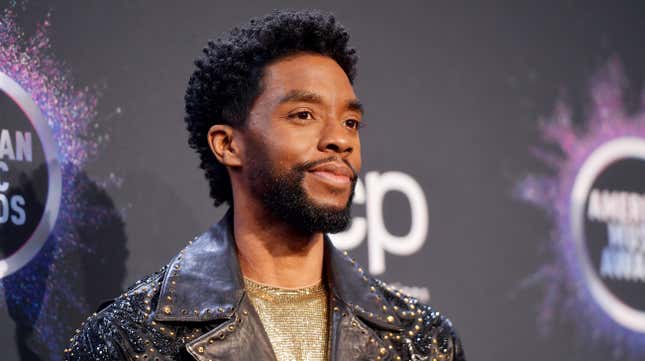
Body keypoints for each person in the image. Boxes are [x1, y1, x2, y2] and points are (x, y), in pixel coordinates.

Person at [64, 9, 465, 361]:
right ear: (228, 144)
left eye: (350, 122)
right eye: (304, 114)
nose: (341, 140)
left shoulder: (424, 342)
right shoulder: (131, 340)